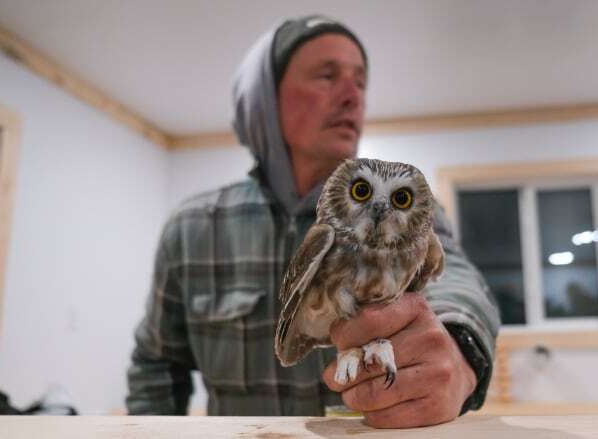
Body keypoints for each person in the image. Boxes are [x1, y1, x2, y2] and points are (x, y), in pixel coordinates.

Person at [125, 15, 500, 428]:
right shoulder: (194, 226)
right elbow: (156, 365)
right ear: (264, 98)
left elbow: (460, 283)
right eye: (327, 76)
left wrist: (459, 351)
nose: (352, 97)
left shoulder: (405, 211)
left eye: (360, 82)